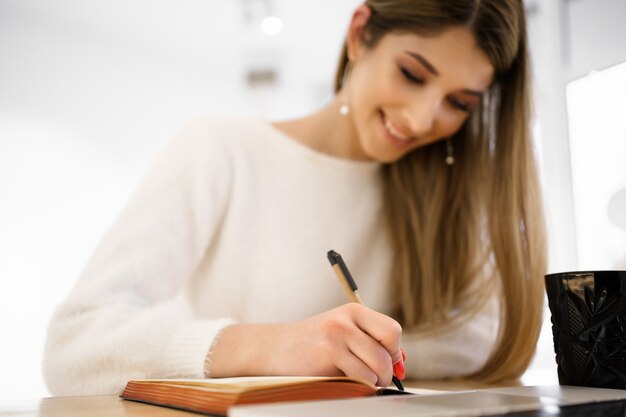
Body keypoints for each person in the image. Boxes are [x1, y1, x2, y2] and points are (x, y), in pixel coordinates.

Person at [43, 0, 547, 395]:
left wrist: (347, 352)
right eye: (412, 74)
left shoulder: (453, 186)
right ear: (359, 34)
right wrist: (276, 346)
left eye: (458, 103)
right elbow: (75, 345)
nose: (420, 120)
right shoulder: (219, 148)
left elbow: (483, 344)